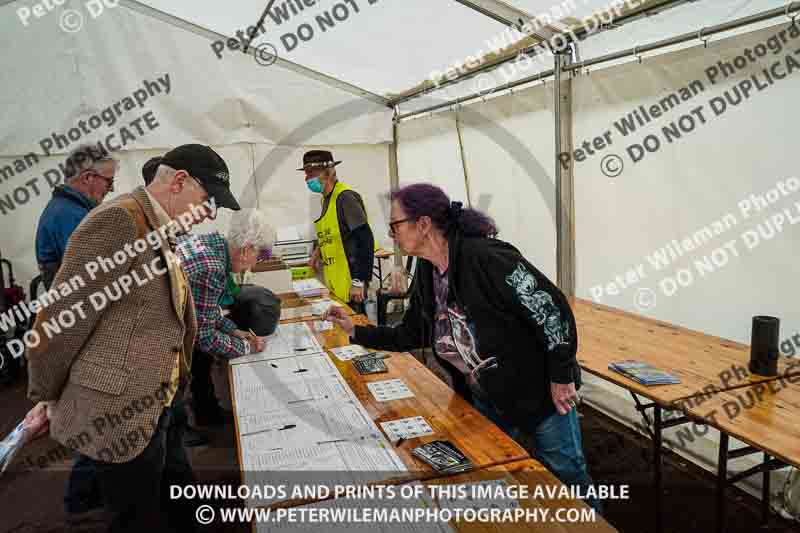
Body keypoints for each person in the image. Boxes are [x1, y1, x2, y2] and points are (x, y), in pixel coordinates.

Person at [323, 183, 600, 512]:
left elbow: (551, 310)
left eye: (395, 225)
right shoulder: (427, 270)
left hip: (540, 391)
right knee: (497, 471)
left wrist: (562, 376)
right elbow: (411, 333)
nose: (391, 234)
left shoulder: (486, 257)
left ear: (423, 224)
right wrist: (356, 330)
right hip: (487, 396)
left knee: (567, 475)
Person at [26, 143, 241, 532]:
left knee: (177, 498)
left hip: (159, 400)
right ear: (179, 182)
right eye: (207, 201)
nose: (209, 213)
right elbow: (61, 319)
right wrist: (46, 394)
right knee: (135, 517)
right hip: (120, 410)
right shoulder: (119, 221)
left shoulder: (159, 226)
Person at [176, 209, 274, 425]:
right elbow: (204, 337)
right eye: (258, 257)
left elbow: (202, 311)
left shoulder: (210, 243)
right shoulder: (211, 267)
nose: (253, 265)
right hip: (152, 343)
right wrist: (247, 347)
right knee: (170, 417)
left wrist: (234, 331)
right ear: (247, 250)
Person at [35, 144, 117, 289]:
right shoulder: (71, 216)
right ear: (88, 177)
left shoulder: (64, 208)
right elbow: (94, 274)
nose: (112, 189)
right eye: (109, 181)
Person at [301, 150, 375, 313]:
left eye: (311, 174)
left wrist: (358, 282)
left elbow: (365, 240)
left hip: (351, 279)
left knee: (356, 322)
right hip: (336, 278)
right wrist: (316, 253)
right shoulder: (326, 199)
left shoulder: (345, 198)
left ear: (328, 173)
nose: (306, 179)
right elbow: (334, 232)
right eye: (306, 174)